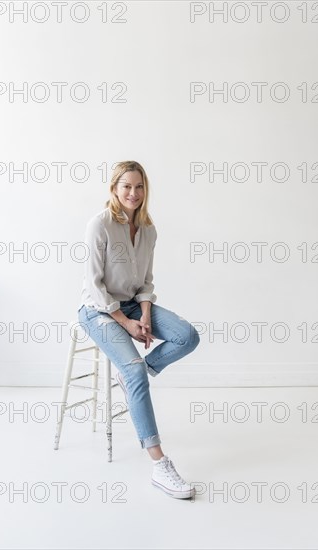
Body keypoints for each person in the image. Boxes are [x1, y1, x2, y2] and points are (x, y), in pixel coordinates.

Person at [77, 160, 200, 499]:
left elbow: (145, 282)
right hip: (98, 311)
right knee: (132, 369)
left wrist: (143, 315)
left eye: (139, 186)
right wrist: (125, 322)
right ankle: (160, 465)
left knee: (187, 336)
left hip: (133, 305)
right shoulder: (99, 225)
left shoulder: (148, 229)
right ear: (114, 189)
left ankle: (137, 374)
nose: (133, 193)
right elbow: (95, 286)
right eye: (126, 186)